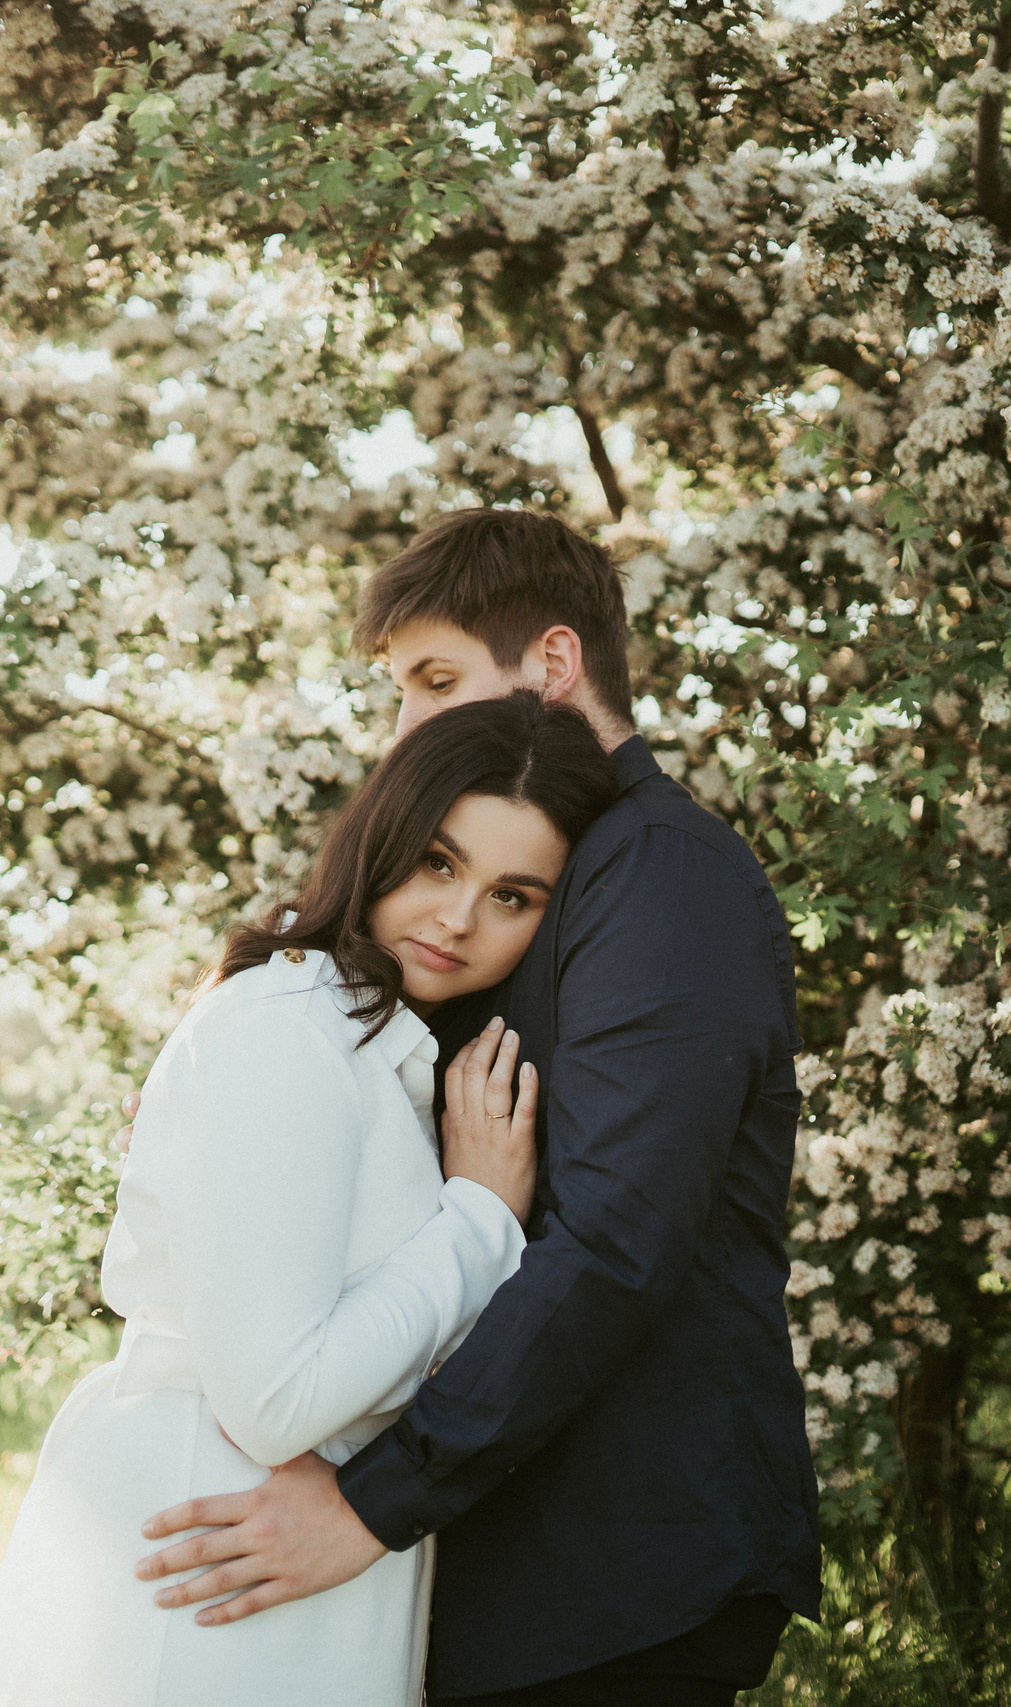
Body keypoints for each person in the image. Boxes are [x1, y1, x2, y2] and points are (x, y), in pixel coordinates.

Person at [136, 508, 820, 1706]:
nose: (407, 726)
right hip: (513, 1563)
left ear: (553, 664)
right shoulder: (541, 875)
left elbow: (617, 1239)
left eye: (437, 681)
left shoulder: (656, 872)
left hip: (613, 1569)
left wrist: (371, 1506)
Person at [0, 691, 620, 1707]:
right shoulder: (289, 1026)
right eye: (438, 862)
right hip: (211, 1545)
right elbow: (278, 1402)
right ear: (380, 839)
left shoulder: (367, 1042)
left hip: (279, 1555)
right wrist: (478, 1218)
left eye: (512, 895)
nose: (458, 917)